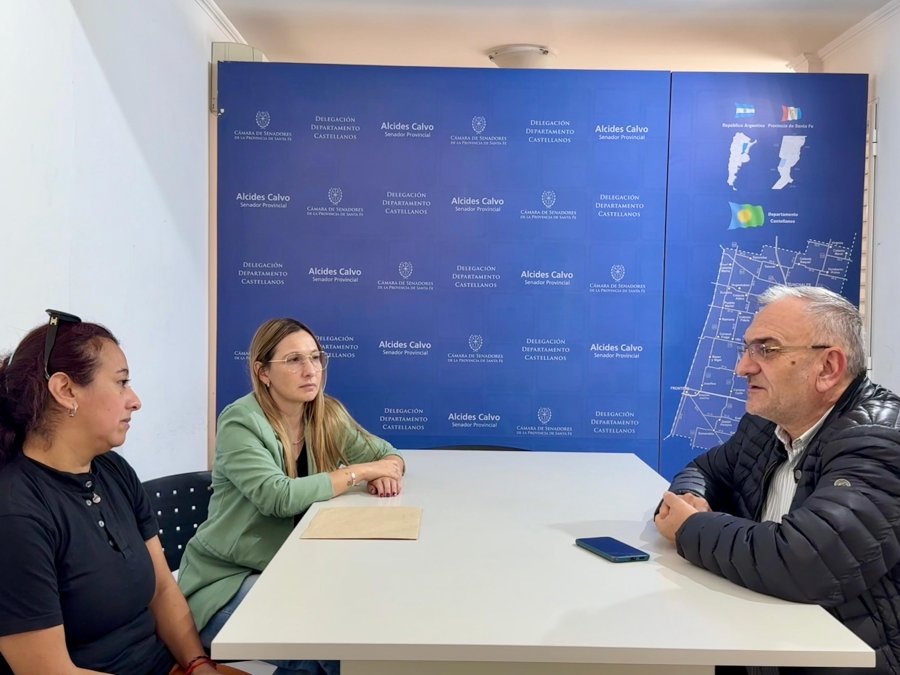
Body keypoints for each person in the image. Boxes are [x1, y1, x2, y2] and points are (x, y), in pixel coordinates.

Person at [655, 285, 900, 674]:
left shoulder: (879, 441)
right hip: (761, 640)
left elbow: (808, 563)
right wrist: (691, 496)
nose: (743, 367)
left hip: (841, 659)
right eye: (747, 349)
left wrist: (690, 527)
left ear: (828, 367)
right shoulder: (766, 424)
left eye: (766, 350)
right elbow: (705, 470)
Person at [0, 310, 226, 675]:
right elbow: (49, 671)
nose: (134, 399)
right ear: (66, 390)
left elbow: (164, 591)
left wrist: (198, 663)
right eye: (121, 382)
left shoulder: (113, 470)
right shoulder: (17, 515)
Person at [178, 318, 405, 675]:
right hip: (225, 583)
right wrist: (361, 472)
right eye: (294, 360)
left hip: (290, 574)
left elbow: (388, 454)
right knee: (323, 648)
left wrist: (384, 474)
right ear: (263, 372)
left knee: (352, 627)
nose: (310, 370)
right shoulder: (240, 421)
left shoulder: (323, 414)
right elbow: (277, 497)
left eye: (315, 358)